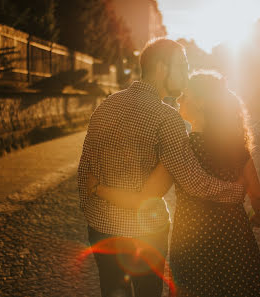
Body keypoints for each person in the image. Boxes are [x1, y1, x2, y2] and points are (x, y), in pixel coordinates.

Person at [77, 39, 246, 297]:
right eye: (182, 65)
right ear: (161, 68)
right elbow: (194, 181)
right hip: (144, 236)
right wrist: (236, 191)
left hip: (101, 231)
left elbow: (84, 172)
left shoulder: (106, 106)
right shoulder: (166, 118)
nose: (186, 73)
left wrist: (95, 215)